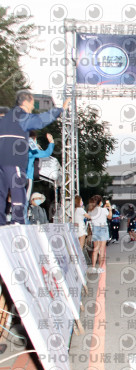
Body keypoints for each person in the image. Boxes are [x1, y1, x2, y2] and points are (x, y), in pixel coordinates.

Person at [0, 91, 70, 225]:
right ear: (26, 102)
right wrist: (60, 109)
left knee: (1, 190)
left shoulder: (5, 118)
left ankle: (1, 222)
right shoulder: (20, 116)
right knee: (17, 188)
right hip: (12, 160)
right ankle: (18, 220)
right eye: (32, 103)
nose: (33, 107)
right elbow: (40, 120)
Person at [26, 131, 54, 205]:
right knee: (25, 199)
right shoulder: (32, 151)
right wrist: (51, 142)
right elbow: (47, 153)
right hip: (28, 177)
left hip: (15, 176)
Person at [87, 195, 112, 273]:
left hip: (95, 229)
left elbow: (90, 217)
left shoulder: (91, 210)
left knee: (96, 249)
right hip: (103, 228)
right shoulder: (104, 210)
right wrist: (110, 209)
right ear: (100, 202)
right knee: (102, 249)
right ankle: (100, 268)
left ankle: (93, 267)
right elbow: (110, 217)